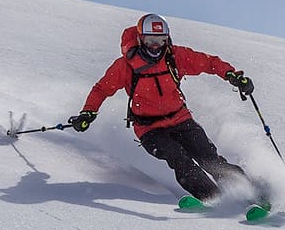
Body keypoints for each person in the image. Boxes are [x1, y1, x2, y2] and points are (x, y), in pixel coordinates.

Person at [70, 13, 257, 204]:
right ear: (140, 38)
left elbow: (209, 62)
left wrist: (233, 75)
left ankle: (252, 191)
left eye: (160, 40)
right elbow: (102, 89)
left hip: (181, 120)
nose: (156, 46)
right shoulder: (126, 66)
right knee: (178, 158)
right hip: (150, 129)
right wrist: (88, 112)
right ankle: (216, 200)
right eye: (151, 40)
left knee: (210, 159)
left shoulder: (174, 57)